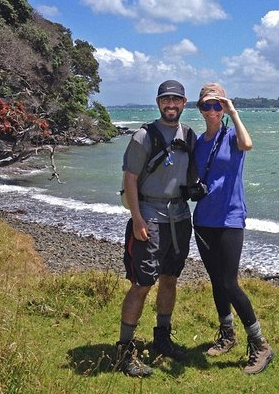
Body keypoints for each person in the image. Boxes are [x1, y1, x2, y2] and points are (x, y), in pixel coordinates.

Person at [116, 79, 197, 377]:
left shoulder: (189, 135)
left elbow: (191, 174)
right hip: (149, 217)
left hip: (179, 218)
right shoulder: (142, 136)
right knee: (142, 283)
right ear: (158, 102)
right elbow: (130, 180)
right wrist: (137, 219)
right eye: (166, 100)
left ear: (184, 103)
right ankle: (125, 350)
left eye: (176, 100)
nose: (171, 105)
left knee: (170, 279)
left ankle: (161, 338)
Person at [192, 82, 274, 375]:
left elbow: (248, 144)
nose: (212, 110)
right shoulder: (197, 142)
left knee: (229, 282)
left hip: (230, 218)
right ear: (199, 108)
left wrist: (234, 112)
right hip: (202, 219)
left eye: (217, 105)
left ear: (223, 106)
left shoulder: (231, 136)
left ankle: (260, 344)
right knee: (216, 280)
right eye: (206, 105)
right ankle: (227, 334)